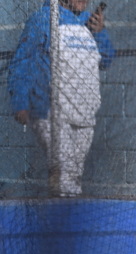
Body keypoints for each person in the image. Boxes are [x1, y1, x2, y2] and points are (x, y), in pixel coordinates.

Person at [8, 0, 114, 196]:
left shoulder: (87, 21)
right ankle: (61, 206)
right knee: (63, 172)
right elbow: (23, 61)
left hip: (84, 113)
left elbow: (106, 59)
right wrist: (20, 102)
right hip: (50, 111)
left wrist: (99, 32)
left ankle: (65, 207)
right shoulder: (43, 20)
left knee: (74, 174)